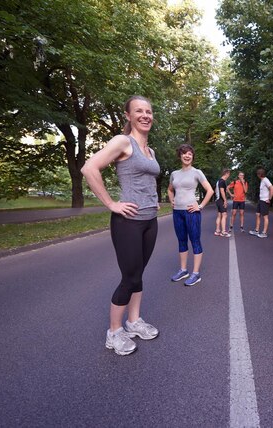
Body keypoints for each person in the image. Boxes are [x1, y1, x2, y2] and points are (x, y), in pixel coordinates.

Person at [81, 95, 161, 356]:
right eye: (139, 111)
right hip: (128, 223)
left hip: (150, 220)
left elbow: (146, 180)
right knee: (129, 278)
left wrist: (154, 201)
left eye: (148, 111)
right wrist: (111, 203)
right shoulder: (122, 141)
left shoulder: (150, 150)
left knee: (138, 274)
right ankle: (114, 333)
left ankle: (133, 321)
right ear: (128, 115)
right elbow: (89, 168)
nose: (145, 115)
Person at [167, 144, 214, 286]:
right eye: (184, 153)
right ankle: (183, 270)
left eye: (190, 154)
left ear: (192, 157)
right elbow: (170, 190)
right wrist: (172, 201)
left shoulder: (197, 172)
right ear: (180, 155)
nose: (187, 156)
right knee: (181, 241)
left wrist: (200, 206)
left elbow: (210, 190)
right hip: (177, 212)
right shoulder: (174, 174)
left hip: (191, 212)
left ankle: (195, 273)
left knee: (195, 241)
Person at [248, 168, 273, 238]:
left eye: (257, 174)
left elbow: (272, 189)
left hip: (265, 201)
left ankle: (264, 233)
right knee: (257, 214)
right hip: (261, 200)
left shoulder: (266, 180)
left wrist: (269, 199)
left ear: (260, 174)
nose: (257, 175)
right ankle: (256, 231)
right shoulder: (262, 181)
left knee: (265, 217)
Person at [214, 168, 232, 237]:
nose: (229, 176)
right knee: (224, 215)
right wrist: (225, 200)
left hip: (218, 200)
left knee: (219, 215)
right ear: (226, 173)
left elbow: (216, 191)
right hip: (221, 200)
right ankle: (223, 232)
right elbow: (222, 191)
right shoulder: (222, 181)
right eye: (229, 174)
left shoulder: (218, 181)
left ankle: (217, 231)